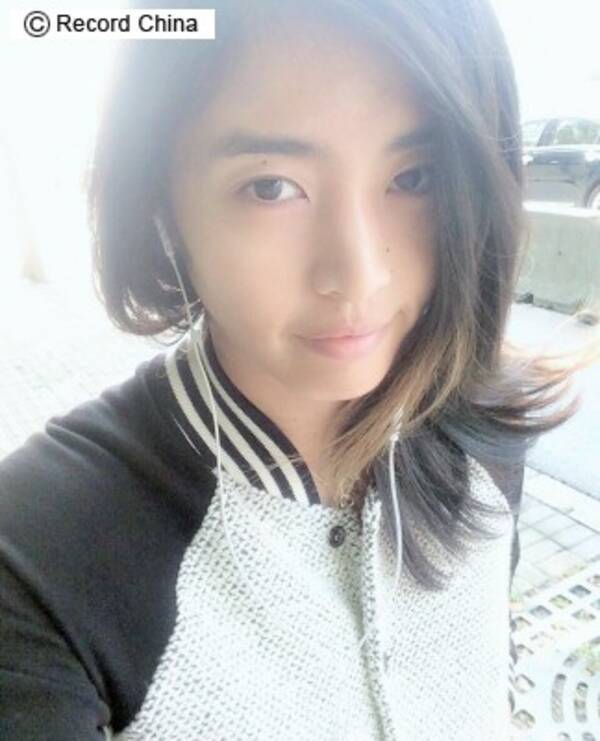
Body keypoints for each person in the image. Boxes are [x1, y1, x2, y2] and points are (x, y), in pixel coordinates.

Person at [1, 0, 599, 739]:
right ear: (162, 200)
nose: (359, 277)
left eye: (414, 176)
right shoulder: (41, 559)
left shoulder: (480, 426)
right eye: (271, 186)